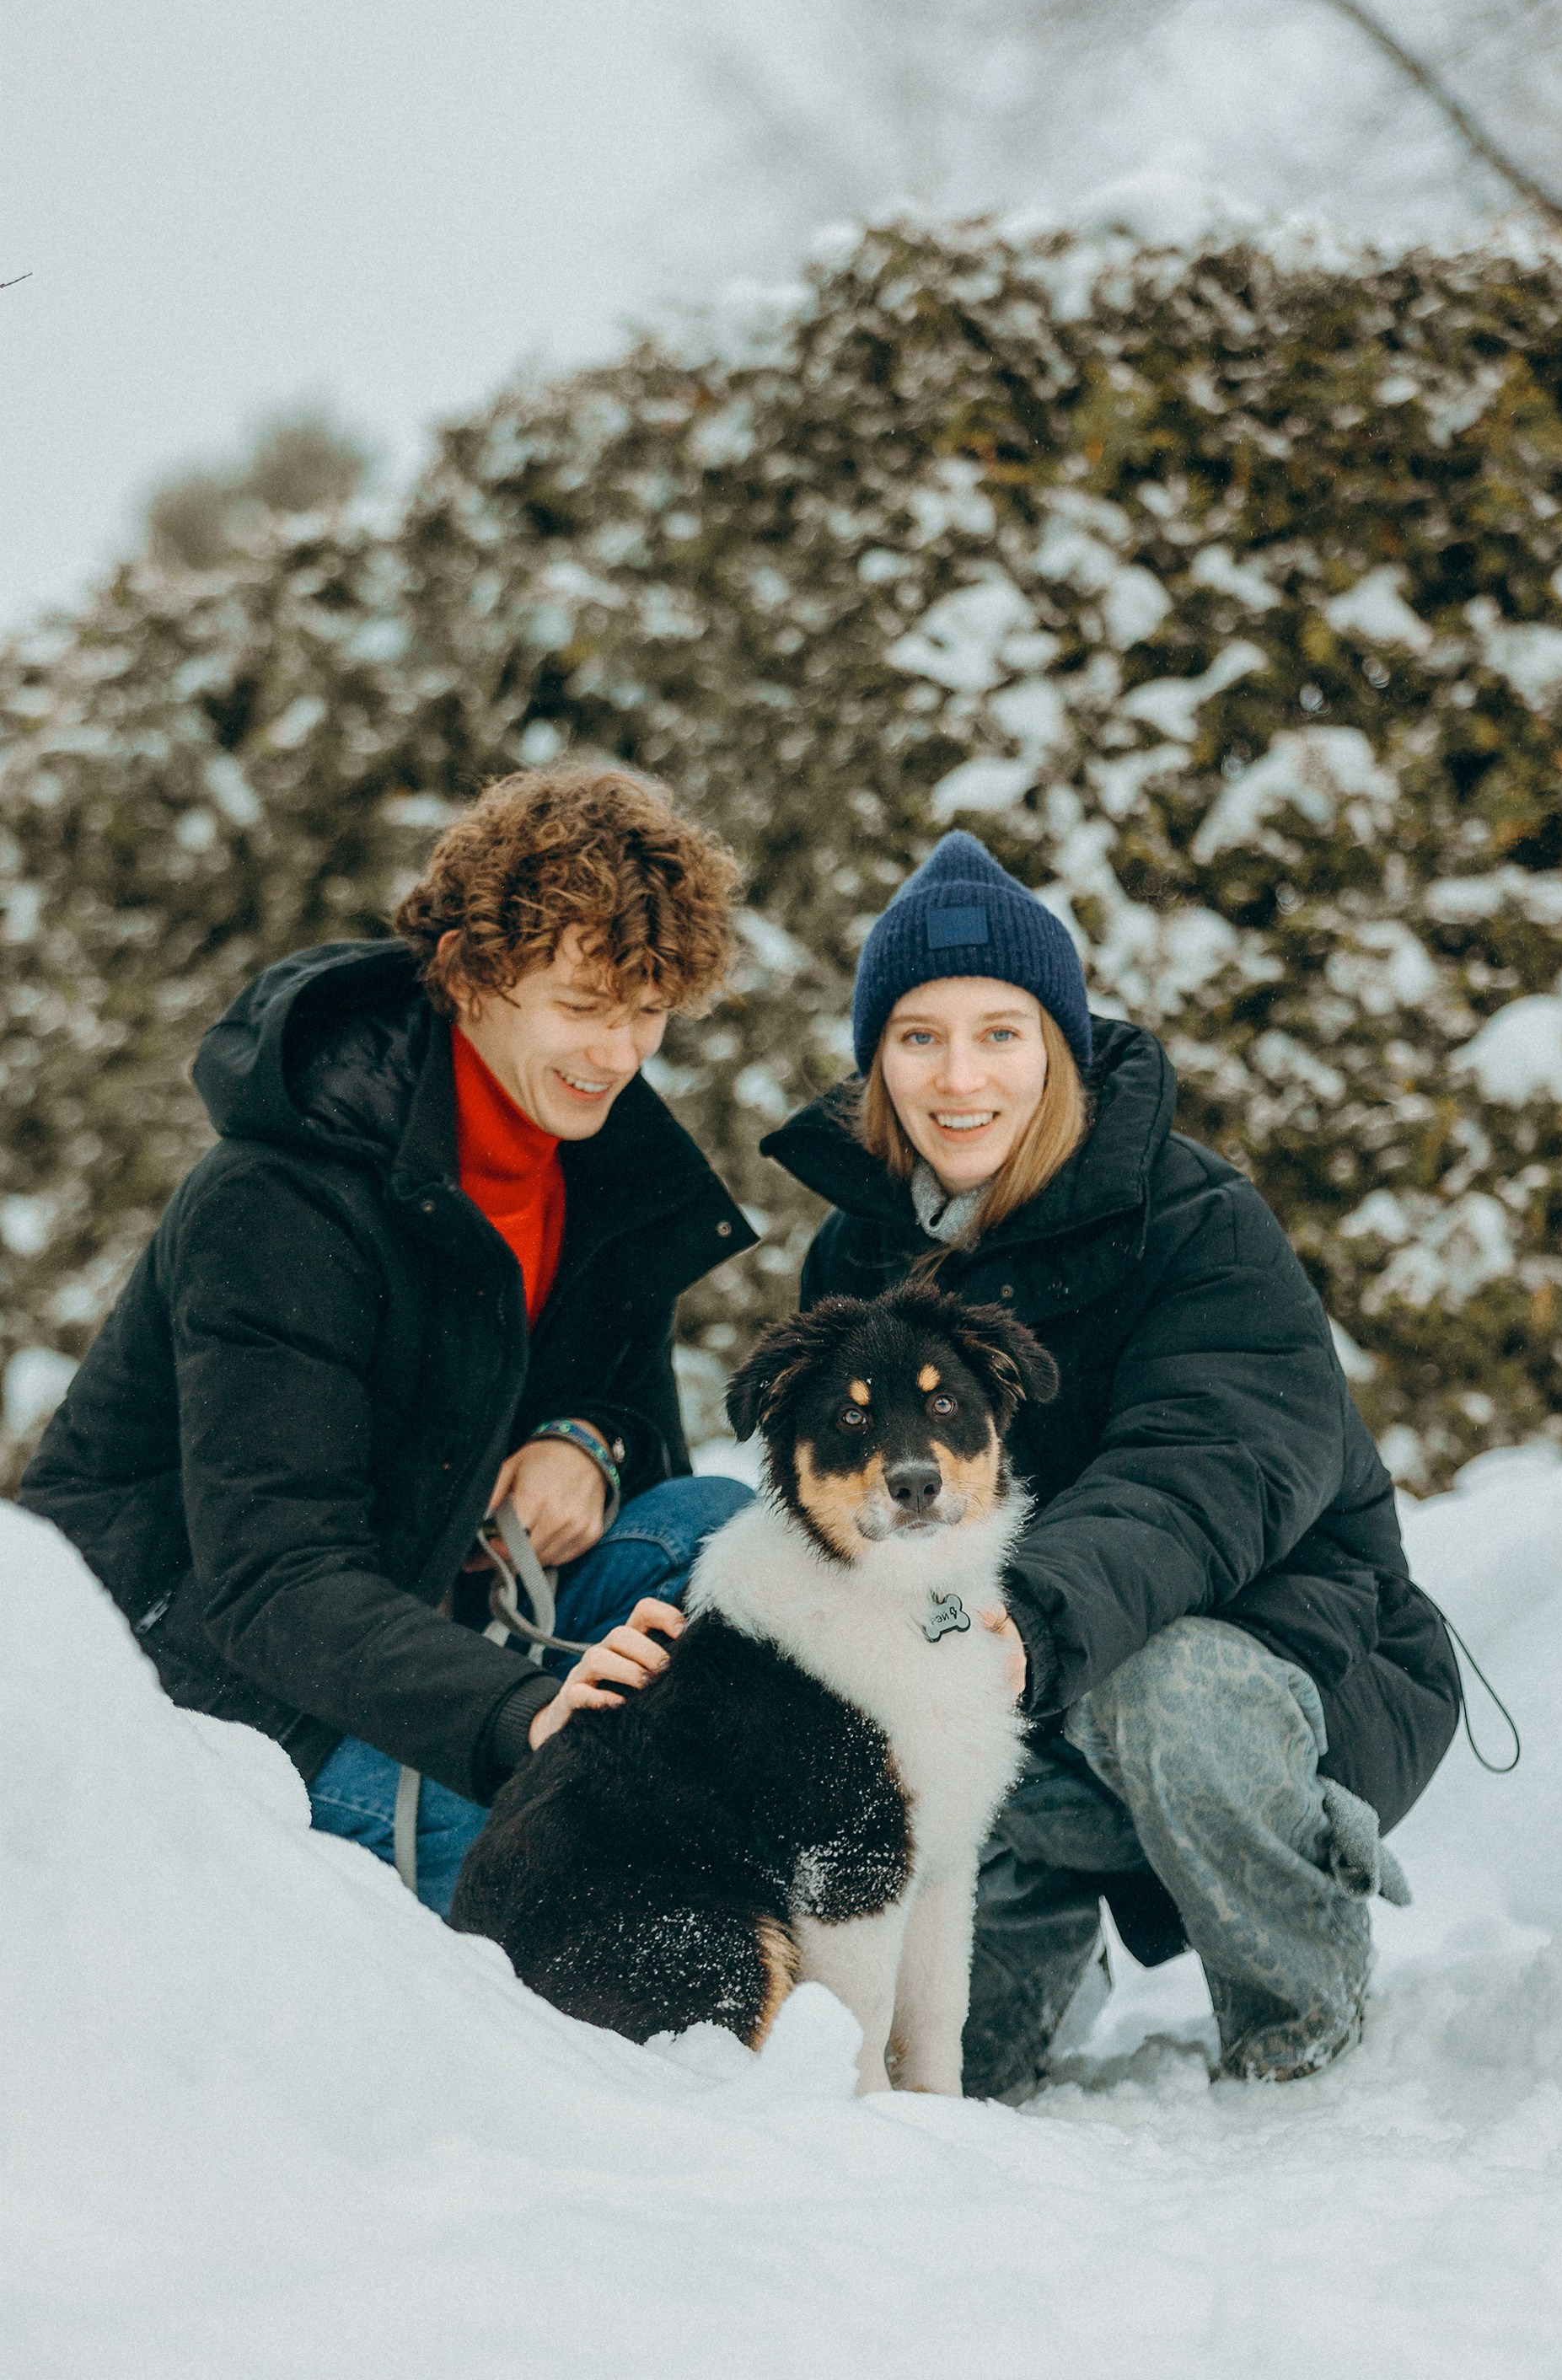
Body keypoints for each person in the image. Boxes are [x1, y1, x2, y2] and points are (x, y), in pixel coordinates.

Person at [760, 831, 1459, 2095]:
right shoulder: (857, 1257)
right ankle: (1022, 1939)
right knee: (955, 2076)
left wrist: (1030, 1621)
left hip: (1296, 1660)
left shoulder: (1199, 1223)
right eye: (919, 1036)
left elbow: (1203, 1466)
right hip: (1029, 1689)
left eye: (1000, 1033)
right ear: (877, 1061)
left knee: (1170, 1693)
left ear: (1061, 1049)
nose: (958, 1076)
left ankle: (1305, 2034)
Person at [23, 768, 758, 1915]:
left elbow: (643, 1442)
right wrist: (520, 1719)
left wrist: (586, 1443)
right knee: (553, 1824)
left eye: (646, 1012)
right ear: (474, 976)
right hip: (217, 1708)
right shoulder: (281, 1197)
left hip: (433, 1644)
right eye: (581, 1005)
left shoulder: (607, 1181)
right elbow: (271, 1579)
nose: (616, 1055)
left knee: (726, 1544)